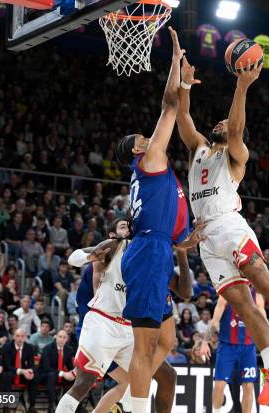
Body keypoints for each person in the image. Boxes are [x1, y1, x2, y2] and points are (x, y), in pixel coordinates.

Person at [176, 54, 269, 404]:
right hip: (207, 240)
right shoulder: (198, 149)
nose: (221, 123)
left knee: (265, 285)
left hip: (230, 227)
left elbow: (237, 129)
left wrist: (242, 86)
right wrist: (182, 84)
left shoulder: (236, 155)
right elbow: (182, 116)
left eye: (225, 122)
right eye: (221, 121)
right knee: (243, 306)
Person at [112, 27, 191, 413]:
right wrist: (175, 61)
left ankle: (130, 400)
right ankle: (133, 408)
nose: (148, 135)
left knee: (165, 343)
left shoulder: (149, 173)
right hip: (147, 251)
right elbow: (170, 106)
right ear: (137, 149)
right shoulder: (148, 160)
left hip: (154, 249)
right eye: (142, 136)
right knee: (145, 347)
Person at [56, 214, 199, 413]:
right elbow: (73, 257)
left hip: (130, 328)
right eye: (123, 226)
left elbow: (185, 292)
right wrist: (90, 256)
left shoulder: (152, 256)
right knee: (83, 383)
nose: (128, 229)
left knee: (167, 376)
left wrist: (182, 254)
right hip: (103, 322)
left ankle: (125, 406)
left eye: (128, 226)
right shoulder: (116, 246)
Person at [200, 292, 263, 413]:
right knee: (219, 385)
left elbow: (263, 322)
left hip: (248, 347)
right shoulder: (226, 294)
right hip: (227, 346)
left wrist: (268, 348)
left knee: (248, 386)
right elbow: (215, 321)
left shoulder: (257, 297)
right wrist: (205, 341)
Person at [1, 329, 38, 413]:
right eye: (17, 336)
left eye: (22, 336)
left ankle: (32, 406)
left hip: (23, 375)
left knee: (34, 377)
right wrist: (22, 371)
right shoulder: (7, 347)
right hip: (11, 372)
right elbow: (7, 365)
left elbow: (32, 364)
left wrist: (31, 371)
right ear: (14, 337)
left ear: (25, 337)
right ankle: (5, 406)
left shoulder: (29, 348)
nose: (20, 338)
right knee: (7, 375)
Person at [40, 330, 75, 413]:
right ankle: (52, 405)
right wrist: (63, 373)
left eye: (64, 337)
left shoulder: (68, 349)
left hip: (59, 376)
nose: (62, 339)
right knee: (51, 375)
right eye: (60, 337)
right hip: (45, 375)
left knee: (75, 379)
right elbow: (46, 367)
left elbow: (70, 366)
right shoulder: (47, 348)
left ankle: (73, 406)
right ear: (55, 337)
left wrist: (73, 374)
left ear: (67, 339)